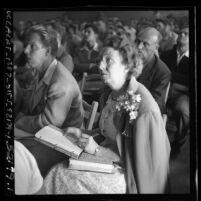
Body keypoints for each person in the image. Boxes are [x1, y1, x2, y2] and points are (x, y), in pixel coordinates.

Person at [43, 45, 170, 194]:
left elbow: (141, 164)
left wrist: (96, 150)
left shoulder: (144, 108)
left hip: (129, 176)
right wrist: (83, 133)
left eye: (108, 61)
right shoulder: (111, 93)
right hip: (106, 159)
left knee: (61, 174)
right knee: (55, 165)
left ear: (126, 66)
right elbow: (109, 134)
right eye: (99, 60)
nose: (100, 66)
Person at [14, 25, 84, 134]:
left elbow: (49, 124)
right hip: (41, 136)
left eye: (33, 46)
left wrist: (20, 121)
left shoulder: (60, 83)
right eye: (27, 45)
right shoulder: (39, 72)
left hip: (62, 142)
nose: (26, 51)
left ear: (47, 52)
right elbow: (31, 104)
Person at [100, 27, 171, 115]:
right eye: (138, 41)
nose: (139, 46)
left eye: (145, 44)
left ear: (156, 47)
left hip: (143, 115)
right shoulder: (126, 59)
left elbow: (154, 104)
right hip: (116, 109)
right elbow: (108, 89)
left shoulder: (162, 72)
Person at [160, 25, 189, 156]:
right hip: (163, 90)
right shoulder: (166, 54)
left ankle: (178, 143)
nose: (182, 35)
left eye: (186, 34)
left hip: (183, 94)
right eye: (180, 32)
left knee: (184, 111)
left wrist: (172, 76)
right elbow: (160, 73)